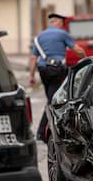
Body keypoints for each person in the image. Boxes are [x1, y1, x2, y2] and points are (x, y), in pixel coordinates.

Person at [29, 13, 86, 141]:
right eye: (63, 23)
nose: (63, 25)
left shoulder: (39, 37)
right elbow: (78, 50)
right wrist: (85, 59)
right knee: (53, 101)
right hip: (56, 70)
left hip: (43, 70)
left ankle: (48, 130)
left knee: (50, 97)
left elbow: (33, 58)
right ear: (59, 22)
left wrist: (31, 76)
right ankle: (42, 133)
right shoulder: (62, 34)